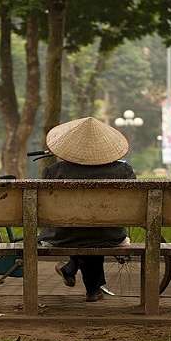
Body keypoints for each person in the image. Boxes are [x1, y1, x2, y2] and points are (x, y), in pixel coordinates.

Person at [39, 117, 135, 302]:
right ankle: (91, 289)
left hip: (63, 236)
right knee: (94, 228)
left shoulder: (54, 171)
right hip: (110, 235)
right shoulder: (124, 172)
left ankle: (75, 271)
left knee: (82, 228)